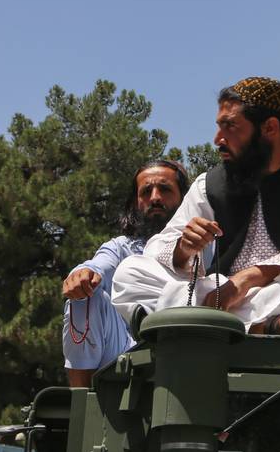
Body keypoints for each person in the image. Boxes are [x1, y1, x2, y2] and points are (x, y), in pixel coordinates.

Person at [111, 77, 280, 335]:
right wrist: (183, 249)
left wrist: (251, 277)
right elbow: (159, 246)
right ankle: (262, 327)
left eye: (230, 127)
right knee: (129, 273)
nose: (218, 139)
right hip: (221, 296)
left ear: (270, 128)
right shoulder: (211, 183)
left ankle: (204, 326)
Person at [62, 159, 189, 388]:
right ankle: (81, 406)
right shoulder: (123, 248)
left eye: (165, 189)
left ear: (185, 199)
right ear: (135, 203)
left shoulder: (206, 245)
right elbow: (98, 265)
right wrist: (82, 274)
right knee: (84, 296)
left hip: (188, 353)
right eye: (146, 191)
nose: (155, 198)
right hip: (130, 354)